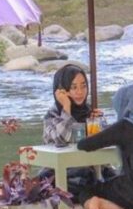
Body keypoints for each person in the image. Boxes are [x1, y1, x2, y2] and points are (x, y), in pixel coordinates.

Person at [42, 65, 113, 201]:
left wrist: (101, 125)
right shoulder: (52, 116)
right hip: (64, 174)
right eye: (74, 87)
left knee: (114, 178)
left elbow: (106, 145)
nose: (80, 92)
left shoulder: (90, 113)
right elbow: (63, 138)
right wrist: (66, 109)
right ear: (62, 91)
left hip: (93, 171)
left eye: (83, 86)